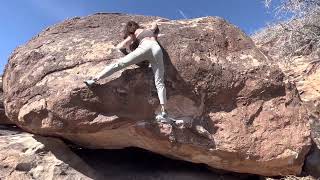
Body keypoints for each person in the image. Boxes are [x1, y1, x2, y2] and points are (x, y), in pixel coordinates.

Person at [84, 20, 168, 122]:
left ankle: (94, 79)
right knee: (159, 82)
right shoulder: (149, 30)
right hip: (156, 48)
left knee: (119, 64)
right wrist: (156, 21)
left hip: (144, 47)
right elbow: (155, 25)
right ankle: (164, 111)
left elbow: (122, 45)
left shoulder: (134, 34)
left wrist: (126, 50)